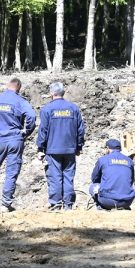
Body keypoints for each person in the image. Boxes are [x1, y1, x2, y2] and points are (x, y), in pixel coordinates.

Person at [0, 77, 36, 212]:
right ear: (19, 88)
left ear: (7, 86)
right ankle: (5, 204)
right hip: (15, 140)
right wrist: (26, 132)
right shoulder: (21, 101)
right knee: (11, 173)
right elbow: (31, 117)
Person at [36, 82, 86, 210]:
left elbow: (43, 130)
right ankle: (68, 205)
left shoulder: (47, 109)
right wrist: (79, 146)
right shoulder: (73, 108)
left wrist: (40, 148)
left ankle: (56, 204)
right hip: (70, 149)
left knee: (55, 177)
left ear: (52, 93)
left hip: (52, 150)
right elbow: (80, 129)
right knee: (68, 177)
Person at [89, 138, 135, 210]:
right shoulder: (129, 161)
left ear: (108, 148)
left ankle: (101, 206)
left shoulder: (102, 160)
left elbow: (94, 178)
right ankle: (122, 207)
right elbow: (131, 180)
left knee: (92, 187)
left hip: (108, 202)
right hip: (127, 201)